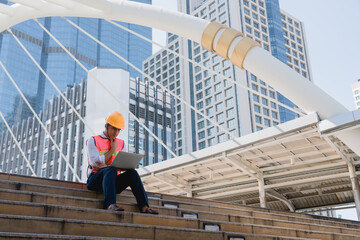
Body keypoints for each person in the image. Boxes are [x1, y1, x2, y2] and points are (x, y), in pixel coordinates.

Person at [86, 112, 158, 214]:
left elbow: (121, 165)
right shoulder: (93, 140)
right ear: (106, 126)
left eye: (118, 130)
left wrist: (124, 165)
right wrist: (113, 149)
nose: (116, 132)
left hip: (113, 182)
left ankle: (144, 207)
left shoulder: (121, 143)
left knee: (132, 173)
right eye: (114, 128)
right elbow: (96, 165)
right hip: (95, 181)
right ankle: (110, 205)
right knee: (110, 169)